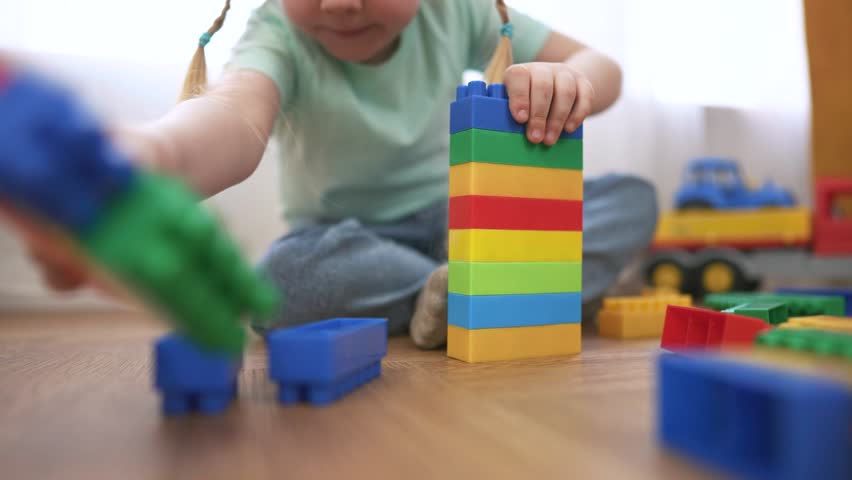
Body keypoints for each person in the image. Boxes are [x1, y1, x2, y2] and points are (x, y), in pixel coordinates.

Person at [24, 0, 658, 348]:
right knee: (282, 283)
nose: (340, 4)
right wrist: (149, 156)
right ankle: (472, 294)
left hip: (461, 220)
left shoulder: (459, 11)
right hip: (346, 239)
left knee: (631, 198)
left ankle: (477, 290)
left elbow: (600, 64)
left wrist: (569, 82)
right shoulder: (278, 32)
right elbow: (233, 123)